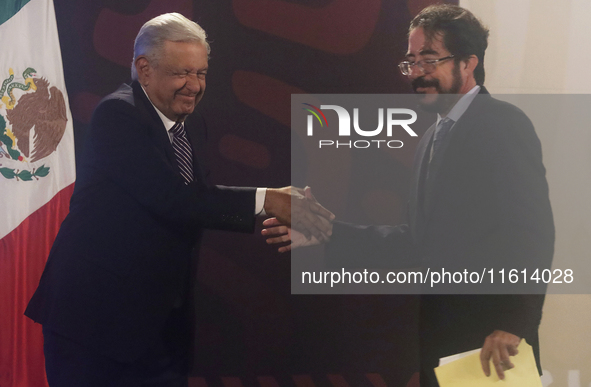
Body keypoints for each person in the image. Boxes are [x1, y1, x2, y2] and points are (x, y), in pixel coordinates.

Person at [25, 13, 332, 386]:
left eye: (201, 73)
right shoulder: (118, 115)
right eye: (181, 73)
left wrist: (282, 215)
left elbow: (193, 207)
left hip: (159, 328)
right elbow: (175, 199)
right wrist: (267, 199)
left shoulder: (191, 126)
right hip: (95, 324)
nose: (194, 86)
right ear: (145, 69)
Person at [263, 5, 554, 386]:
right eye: (411, 62)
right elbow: (416, 242)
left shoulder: (504, 123)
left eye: (429, 60)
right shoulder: (432, 137)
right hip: (441, 342)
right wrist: (326, 229)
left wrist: (512, 324)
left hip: (493, 347)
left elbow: (532, 232)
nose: (417, 73)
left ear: (469, 63)